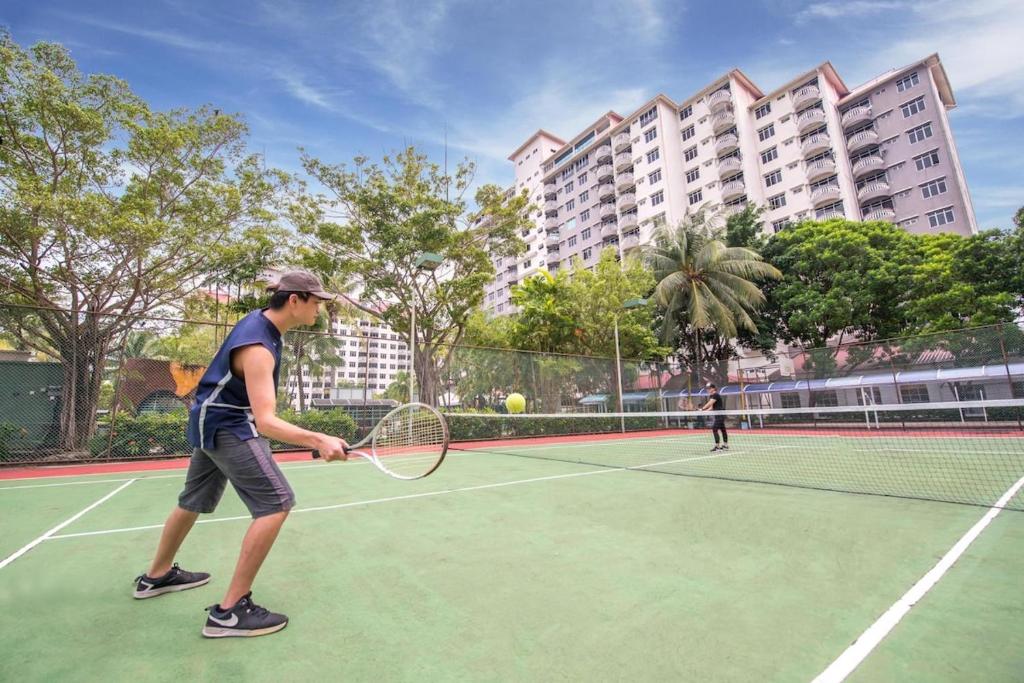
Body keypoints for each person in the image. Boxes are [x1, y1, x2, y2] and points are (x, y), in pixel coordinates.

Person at [132, 271, 349, 638]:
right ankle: (229, 612)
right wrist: (319, 439)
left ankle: (156, 576)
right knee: (276, 503)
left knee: (193, 500)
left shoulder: (261, 324)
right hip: (229, 425)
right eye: (316, 302)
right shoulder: (259, 348)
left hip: (209, 420)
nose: (319, 309)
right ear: (294, 301)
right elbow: (266, 422)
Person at [700, 382, 728, 452]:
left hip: (720, 414)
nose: (708, 390)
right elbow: (712, 407)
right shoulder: (711, 396)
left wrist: (702, 409)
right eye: (707, 389)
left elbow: (710, 403)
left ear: (713, 388)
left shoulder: (715, 395)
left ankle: (717, 446)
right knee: (723, 429)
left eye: (709, 388)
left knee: (715, 429)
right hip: (717, 415)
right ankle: (725, 445)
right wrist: (705, 411)